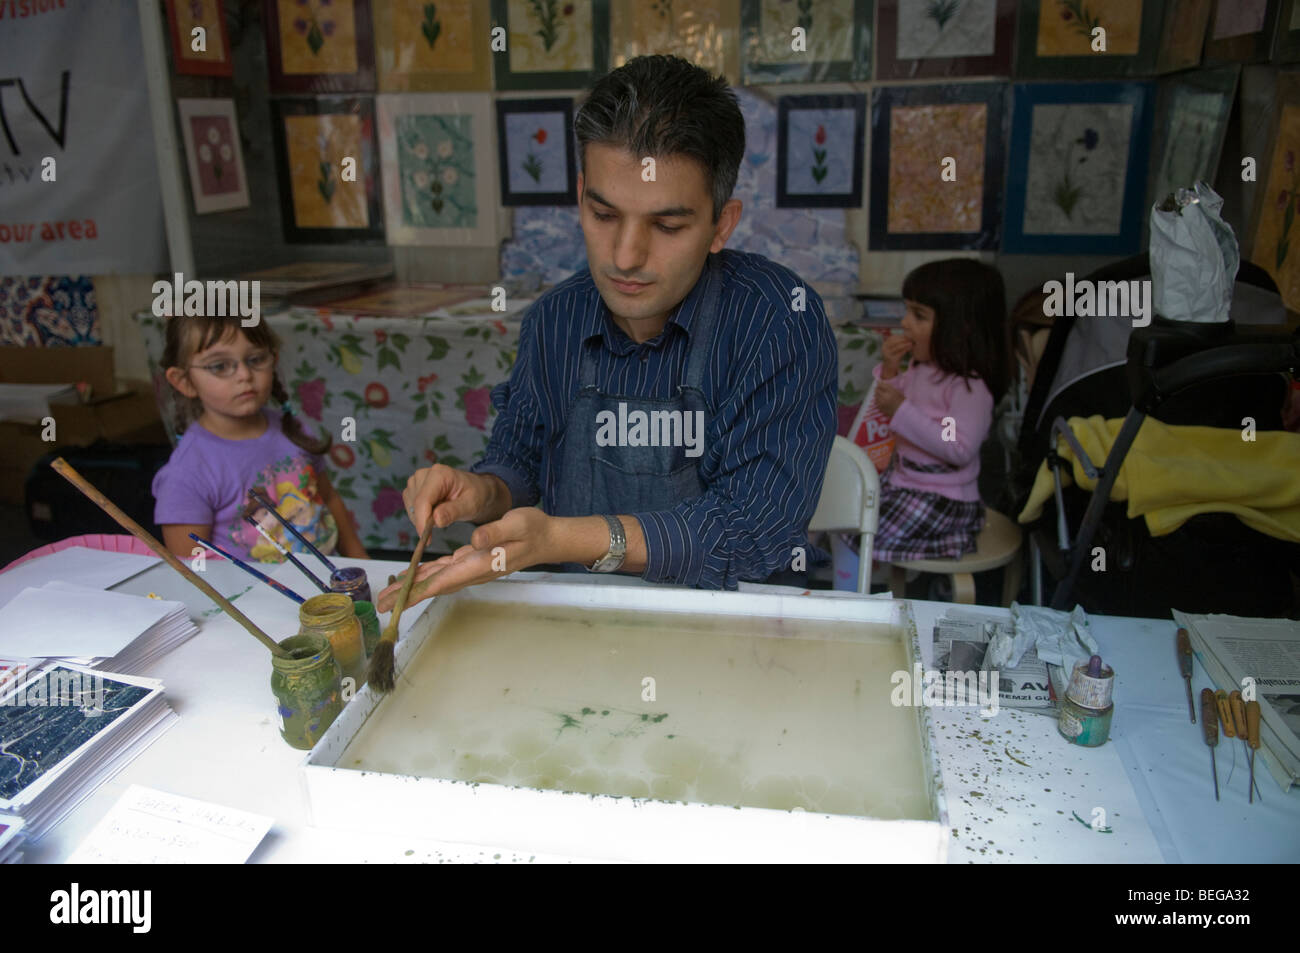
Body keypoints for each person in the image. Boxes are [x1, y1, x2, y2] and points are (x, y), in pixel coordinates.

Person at [377, 55, 838, 610]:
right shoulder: (556, 319)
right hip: (578, 613)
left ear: (722, 223)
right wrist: (482, 493)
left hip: (733, 622)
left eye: (667, 226)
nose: (626, 256)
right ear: (580, 196)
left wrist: (564, 538)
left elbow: (752, 527)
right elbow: (522, 461)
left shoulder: (775, 319)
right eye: (603, 215)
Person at [152, 316, 368, 561]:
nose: (244, 374)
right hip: (250, 599)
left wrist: (364, 565)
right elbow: (193, 571)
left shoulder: (292, 428)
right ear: (184, 381)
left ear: (273, 360)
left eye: (255, 360)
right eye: (220, 366)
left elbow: (328, 498)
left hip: (330, 590)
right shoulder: (186, 474)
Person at [855, 259, 1010, 564]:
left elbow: (955, 445)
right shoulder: (923, 368)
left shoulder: (966, 388)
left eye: (919, 315)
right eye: (908, 311)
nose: (905, 323)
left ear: (961, 327)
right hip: (904, 484)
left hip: (942, 500)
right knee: (846, 512)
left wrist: (902, 410)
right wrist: (889, 370)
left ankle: (852, 598)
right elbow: (895, 407)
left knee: (859, 532)